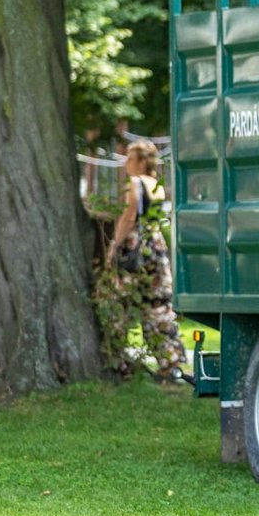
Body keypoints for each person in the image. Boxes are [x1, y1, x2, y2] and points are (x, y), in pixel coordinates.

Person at [106, 141, 186, 380]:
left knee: (119, 304)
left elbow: (129, 216)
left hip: (136, 249)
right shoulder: (157, 185)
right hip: (156, 248)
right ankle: (171, 363)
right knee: (158, 306)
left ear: (141, 161)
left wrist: (114, 246)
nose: (126, 164)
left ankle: (118, 363)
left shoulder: (135, 183)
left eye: (130, 159)